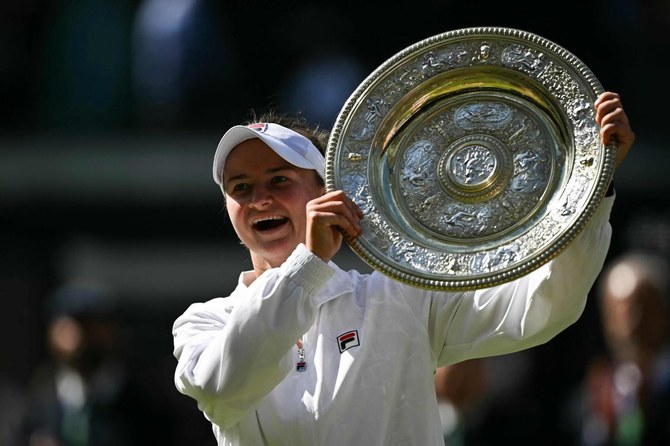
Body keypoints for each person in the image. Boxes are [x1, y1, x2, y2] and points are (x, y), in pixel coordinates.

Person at [172, 90, 635, 445]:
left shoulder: (397, 297)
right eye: (241, 187)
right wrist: (307, 265)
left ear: (325, 193)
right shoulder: (203, 323)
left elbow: (541, 309)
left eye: (280, 180)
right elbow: (225, 385)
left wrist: (591, 186)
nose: (260, 200)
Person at [566, 251, 670, 446]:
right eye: (618, 314)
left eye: (642, 310)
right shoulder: (592, 394)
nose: (632, 326)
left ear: (663, 311)